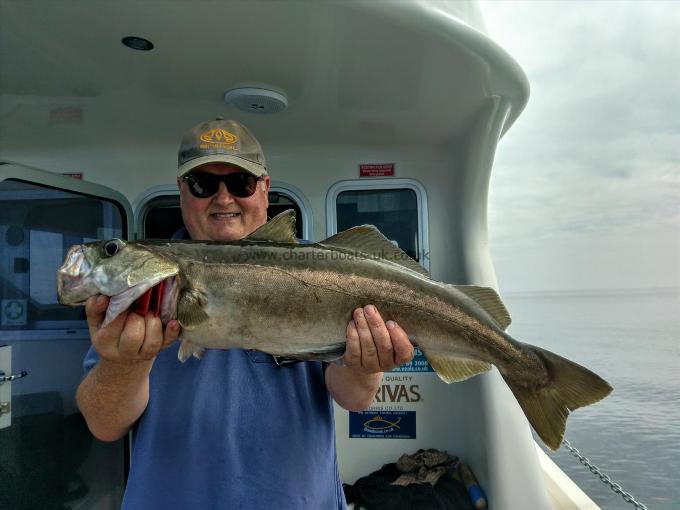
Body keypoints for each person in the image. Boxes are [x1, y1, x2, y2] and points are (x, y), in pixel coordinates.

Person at [76, 118, 415, 509]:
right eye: (204, 184)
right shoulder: (146, 279)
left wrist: (366, 364)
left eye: (241, 183)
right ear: (182, 191)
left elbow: (354, 398)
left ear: (265, 190)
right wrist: (122, 367)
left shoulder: (324, 273)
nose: (223, 199)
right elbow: (104, 425)